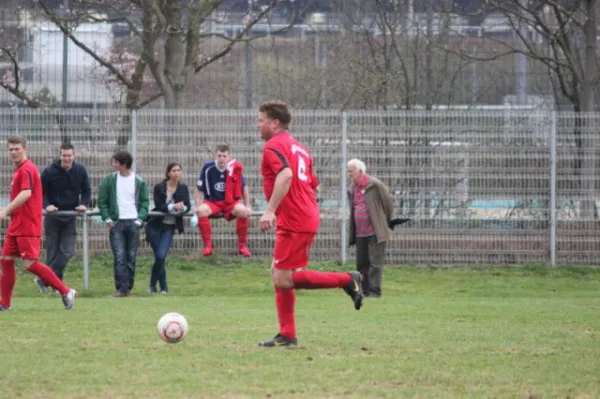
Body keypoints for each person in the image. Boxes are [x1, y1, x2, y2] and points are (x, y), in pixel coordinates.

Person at [256, 100, 363, 348]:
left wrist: (270, 210)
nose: (258, 125)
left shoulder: (273, 146)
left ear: (275, 123)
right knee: (280, 274)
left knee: (283, 279)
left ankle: (347, 280)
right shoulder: (300, 148)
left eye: (261, 120)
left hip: (294, 219)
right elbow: (314, 185)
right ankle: (287, 334)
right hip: (303, 216)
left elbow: (286, 175)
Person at [0, 136, 76, 311]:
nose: (13, 152)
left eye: (17, 149)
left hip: (27, 225)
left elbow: (26, 193)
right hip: (16, 225)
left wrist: (6, 210)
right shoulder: (18, 170)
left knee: (30, 264)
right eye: (10, 149)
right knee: (6, 260)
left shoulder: (27, 169)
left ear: (25, 149)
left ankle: (66, 291)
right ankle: (4, 303)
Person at [35, 143, 91, 294]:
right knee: (52, 252)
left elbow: (86, 191)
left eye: (69, 156)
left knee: (68, 251)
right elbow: (40, 192)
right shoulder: (49, 172)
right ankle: (56, 287)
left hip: (70, 216)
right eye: (64, 155)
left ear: (74, 156)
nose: (67, 158)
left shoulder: (80, 170)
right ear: (60, 156)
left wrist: (83, 204)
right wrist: (47, 206)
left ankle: (43, 279)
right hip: (53, 216)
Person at [98, 151, 149, 298]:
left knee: (131, 256)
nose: (114, 165)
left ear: (124, 164)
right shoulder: (109, 180)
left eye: (116, 162)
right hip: (117, 223)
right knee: (119, 256)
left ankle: (127, 288)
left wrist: (140, 219)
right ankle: (121, 289)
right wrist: (107, 219)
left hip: (133, 223)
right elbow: (102, 201)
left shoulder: (139, 181)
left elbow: (145, 201)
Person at [347, 159, 394, 298]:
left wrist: (383, 222)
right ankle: (364, 290)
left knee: (375, 263)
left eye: (351, 171)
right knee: (361, 263)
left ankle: (375, 291)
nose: (349, 174)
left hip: (375, 231)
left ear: (360, 171)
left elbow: (388, 204)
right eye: (348, 171)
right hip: (360, 232)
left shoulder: (375, 185)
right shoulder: (352, 188)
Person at [195, 144, 252, 257]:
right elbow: (199, 189)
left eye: (224, 156)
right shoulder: (208, 167)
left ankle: (242, 246)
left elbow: (244, 187)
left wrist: (248, 205)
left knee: (243, 212)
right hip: (213, 202)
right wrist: (197, 205)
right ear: (215, 156)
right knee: (201, 211)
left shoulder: (234, 167)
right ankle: (208, 246)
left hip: (230, 202)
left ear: (229, 157)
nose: (221, 158)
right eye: (219, 156)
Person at [145, 162, 191, 294]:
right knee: (159, 257)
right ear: (168, 173)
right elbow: (160, 206)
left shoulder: (183, 188)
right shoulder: (159, 187)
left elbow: (187, 205)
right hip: (154, 226)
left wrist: (183, 208)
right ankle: (162, 288)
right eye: (174, 170)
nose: (177, 173)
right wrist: (173, 206)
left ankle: (154, 285)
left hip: (169, 227)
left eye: (179, 170)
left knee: (161, 255)